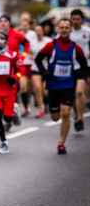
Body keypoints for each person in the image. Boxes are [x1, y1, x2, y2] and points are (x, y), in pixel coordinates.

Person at [35, 18, 88, 154]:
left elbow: (84, 63)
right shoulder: (51, 45)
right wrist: (44, 72)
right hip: (53, 85)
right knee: (55, 117)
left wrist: (81, 74)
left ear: (70, 30)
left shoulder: (76, 48)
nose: (64, 30)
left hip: (68, 84)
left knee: (66, 112)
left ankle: (61, 143)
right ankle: (58, 122)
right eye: (61, 27)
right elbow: (38, 59)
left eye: (66, 28)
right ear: (58, 29)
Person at [0, 14, 30, 123]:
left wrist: (23, 56)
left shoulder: (16, 34)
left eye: (5, 21)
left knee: (21, 88)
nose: (2, 23)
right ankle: (9, 114)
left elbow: (27, 44)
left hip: (15, 68)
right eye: (0, 21)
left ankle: (14, 110)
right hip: (0, 70)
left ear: (9, 23)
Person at [70, 9, 90, 131]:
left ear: (81, 20)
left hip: (83, 65)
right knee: (72, 95)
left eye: (78, 19)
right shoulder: (66, 31)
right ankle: (77, 115)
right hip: (69, 66)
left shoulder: (87, 31)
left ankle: (80, 118)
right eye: (73, 19)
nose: (76, 21)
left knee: (79, 92)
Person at [28, 24, 52, 118]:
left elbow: (52, 53)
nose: (38, 33)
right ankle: (40, 109)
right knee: (37, 89)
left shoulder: (48, 41)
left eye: (39, 30)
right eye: (36, 31)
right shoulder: (32, 42)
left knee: (46, 91)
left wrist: (46, 57)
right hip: (36, 68)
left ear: (43, 31)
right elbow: (30, 52)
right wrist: (30, 56)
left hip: (46, 68)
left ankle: (49, 104)